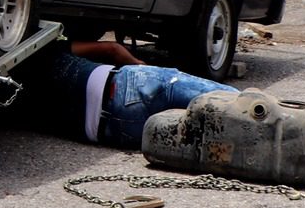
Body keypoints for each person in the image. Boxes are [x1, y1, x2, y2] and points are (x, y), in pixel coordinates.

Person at [18, 39, 235, 148]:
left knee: (211, 136)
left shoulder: (12, 97)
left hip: (114, 132)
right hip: (125, 86)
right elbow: (111, 49)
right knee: (237, 103)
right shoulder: (45, 47)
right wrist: (139, 64)